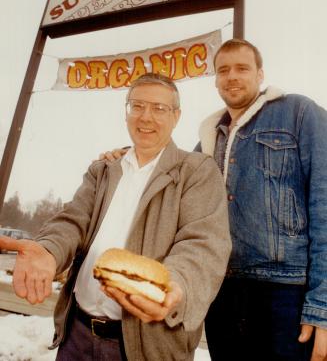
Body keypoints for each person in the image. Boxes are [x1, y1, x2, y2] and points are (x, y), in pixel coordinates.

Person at [101, 40, 327, 361]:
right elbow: (170, 175)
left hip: (285, 292)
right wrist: (131, 154)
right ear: (216, 80)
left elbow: (324, 206)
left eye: (242, 68)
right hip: (223, 291)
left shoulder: (299, 113)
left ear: (260, 73)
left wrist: (321, 306)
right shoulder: (209, 136)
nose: (232, 77)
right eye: (223, 70)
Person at [0, 73, 231, 361]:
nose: (146, 117)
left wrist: (175, 283)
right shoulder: (104, 169)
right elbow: (72, 220)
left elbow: (203, 242)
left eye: (159, 109)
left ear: (176, 116)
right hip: (77, 336)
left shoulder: (196, 171)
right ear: (127, 112)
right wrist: (49, 250)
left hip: (145, 346)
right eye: (137, 106)